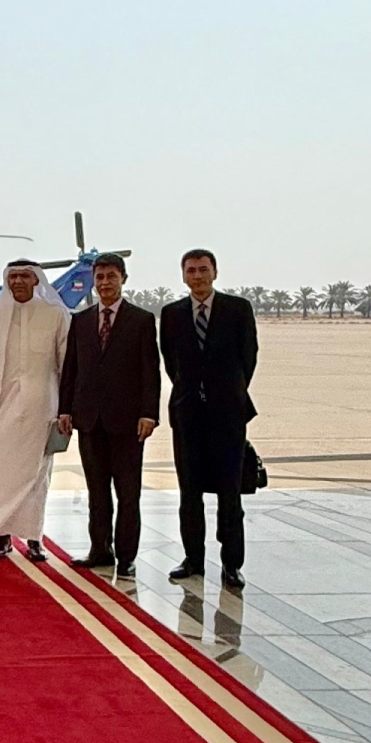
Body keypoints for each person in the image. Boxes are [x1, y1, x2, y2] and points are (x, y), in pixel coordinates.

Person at [58, 253, 161, 578]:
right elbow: (71, 369)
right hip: (89, 420)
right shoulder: (80, 321)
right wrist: (65, 409)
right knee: (97, 492)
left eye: (111, 277)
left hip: (128, 423)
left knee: (128, 493)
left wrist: (149, 413)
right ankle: (100, 550)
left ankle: (127, 555)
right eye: (99, 277)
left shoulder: (141, 320)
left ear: (123, 279)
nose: (104, 283)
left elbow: (150, 371)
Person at [161, 250, 258, 590]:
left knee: (229, 493)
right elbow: (171, 362)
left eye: (204, 269)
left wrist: (226, 393)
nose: (198, 276)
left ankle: (232, 563)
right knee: (189, 492)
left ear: (215, 272)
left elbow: (248, 357)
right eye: (191, 271)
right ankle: (193, 559)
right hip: (187, 416)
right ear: (183, 276)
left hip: (228, 417)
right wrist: (194, 393)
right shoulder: (172, 314)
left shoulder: (237, 309)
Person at [0, 262, 70, 561]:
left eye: (24, 276)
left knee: (37, 475)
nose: (17, 281)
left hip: (44, 406)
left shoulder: (55, 315)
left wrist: (66, 409)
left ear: (36, 279)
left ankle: (34, 537)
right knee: (0, 472)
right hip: (3, 406)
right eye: (12, 276)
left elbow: (67, 365)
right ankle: (1, 536)